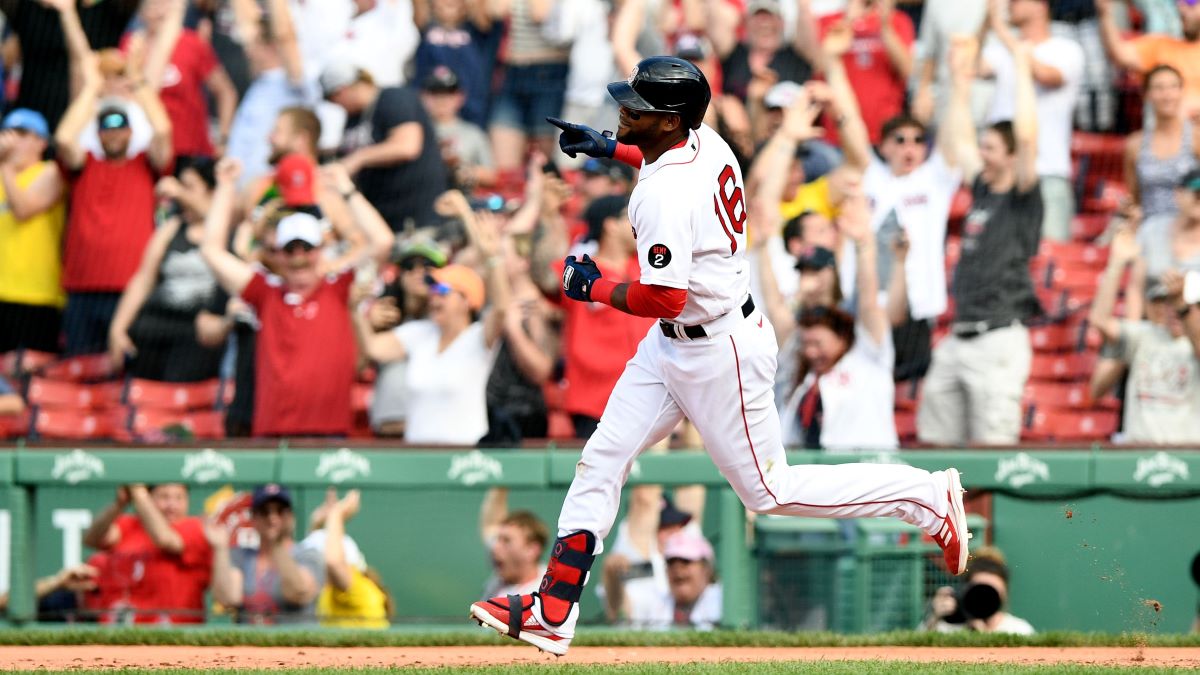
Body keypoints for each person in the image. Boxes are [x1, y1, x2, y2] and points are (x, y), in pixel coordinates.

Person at [471, 55, 970, 656]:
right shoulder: (701, 141)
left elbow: (664, 294)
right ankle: (554, 607)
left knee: (770, 492)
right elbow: (656, 165)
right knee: (601, 457)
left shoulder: (667, 193)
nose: (625, 111)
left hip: (718, 349)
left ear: (669, 120)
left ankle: (927, 497)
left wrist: (593, 288)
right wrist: (607, 147)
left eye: (638, 109)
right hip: (674, 344)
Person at [200, 159, 394, 437]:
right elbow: (211, 251)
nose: (299, 257)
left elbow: (382, 242)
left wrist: (346, 190)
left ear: (322, 249)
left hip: (329, 438)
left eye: (307, 248)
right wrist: (225, 187)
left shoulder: (338, 287)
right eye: (291, 249)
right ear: (278, 253)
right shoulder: (265, 292)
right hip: (273, 437)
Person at [918, 39, 1041, 446]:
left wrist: (1021, 66)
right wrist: (959, 82)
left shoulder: (1022, 195)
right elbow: (957, 142)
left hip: (999, 337)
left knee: (994, 446)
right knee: (935, 435)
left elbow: (1026, 137)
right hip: (960, 335)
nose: (982, 154)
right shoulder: (984, 189)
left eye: (991, 148)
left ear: (1009, 155)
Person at [355, 191, 510, 445]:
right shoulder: (419, 332)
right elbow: (373, 348)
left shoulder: (477, 337)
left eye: (443, 291)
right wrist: (355, 310)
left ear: (466, 301)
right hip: (417, 457)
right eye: (433, 291)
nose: (434, 297)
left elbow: (502, 308)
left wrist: (492, 258)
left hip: (464, 459)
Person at [54, 58, 174, 356]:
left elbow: (162, 130)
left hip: (130, 290)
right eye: (105, 126)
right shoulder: (84, 165)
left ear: (132, 132)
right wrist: (93, 89)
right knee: (76, 377)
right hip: (81, 288)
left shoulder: (145, 166)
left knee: (123, 385)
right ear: (97, 134)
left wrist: (138, 83)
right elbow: (64, 137)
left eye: (121, 125)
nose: (114, 131)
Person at [774, 194, 902, 450]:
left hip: (871, 470)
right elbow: (780, 324)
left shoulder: (863, 343)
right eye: (808, 344)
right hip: (815, 473)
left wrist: (864, 244)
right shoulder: (804, 365)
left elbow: (869, 301)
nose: (811, 351)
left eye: (818, 343)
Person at [106, 158, 224, 381]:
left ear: (212, 191)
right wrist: (118, 328)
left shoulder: (225, 228)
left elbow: (218, 218)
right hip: (157, 325)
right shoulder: (171, 228)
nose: (180, 194)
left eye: (189, 186)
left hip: (195, 334)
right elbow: (143, 279)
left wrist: (178, 191)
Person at [979, 0, 1083, 242]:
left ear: (1040, 5)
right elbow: (969, 66)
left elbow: (1046, 75)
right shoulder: (1002, 49)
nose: (1010, 4)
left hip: (1047, 171)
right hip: (1003, 173)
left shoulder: (1065, 49)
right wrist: (986, 21)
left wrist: (1001, 30)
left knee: (1048, 256)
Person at [1089, 228, 1200, 443]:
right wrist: (1117, 263)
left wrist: (1183, 308)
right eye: (1168, 302)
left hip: (1188, 461)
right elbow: (1100, 320)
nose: (1174, 310)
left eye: (1187, 305)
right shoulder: (1145, 336)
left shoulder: (1193, 343)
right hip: (1138, 455)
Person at [322, 60, 449, 231]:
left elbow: (407, 146)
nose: (337, 106)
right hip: (383, 220)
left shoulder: (393, 98)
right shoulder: (354, 118)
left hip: (416, 218)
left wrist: (359, 158)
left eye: (334, 99)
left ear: (343, 90)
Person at [81, 484, 212, 624]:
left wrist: (137, 491)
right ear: (150, 498)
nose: (172, 505)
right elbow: (92, 539)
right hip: (123, 629)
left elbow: (166, 541)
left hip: (172, 632)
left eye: (179, 498)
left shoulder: (194, 527)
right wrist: (119, 504)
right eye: (164, 497)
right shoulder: (130, 524)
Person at [0, 109, 67, 354]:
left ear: (42, 142)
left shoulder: (50, 172)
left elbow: (23, 209)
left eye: (22, 134)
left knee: (29, 379)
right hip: (2, 292)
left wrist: (5, 164)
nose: (12, 140)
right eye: (7, 132)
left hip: (37, 296)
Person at [207, 484, 324, 624]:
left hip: (294, 645)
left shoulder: (308, 554)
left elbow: (298, 592)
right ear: (254, 518)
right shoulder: (241, 555)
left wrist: (277, 543)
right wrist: (220, 548)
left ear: (291, 517)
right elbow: (228, 598)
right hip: (250, 644)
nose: (272, 518)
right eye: (264, 512)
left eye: (280, 511)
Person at [816, 0, 917, 144]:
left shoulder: (899, 20)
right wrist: (848, 21)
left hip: (885, 135)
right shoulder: (828, 20)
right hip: (838, 133)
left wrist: (885, 27)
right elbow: (819, 69)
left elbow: (907, 70)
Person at [299, 489, 391, 629]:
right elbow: (316, 548)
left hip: (367, 650)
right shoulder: (329, 591)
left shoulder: (362, 589)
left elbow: (334, 562)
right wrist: (316, 523)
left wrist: (336, 514)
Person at [1098, 0, 1200, 112]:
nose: (1182, 9)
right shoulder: (1160, 45)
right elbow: (1118, 53)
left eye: (1191, 3)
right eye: (1179, 3)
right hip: (1163, 126)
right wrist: (1105, 14)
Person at [1126, 66, 1200, 220]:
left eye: (1173, 87)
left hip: (1191, 231)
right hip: (1150, 230)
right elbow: (1135, 198)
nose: (1167, 95)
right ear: (1147, 95)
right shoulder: (1135, 145)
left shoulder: (1196, 137)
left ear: (1181, 92)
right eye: (1159, 88)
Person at [922, 546, 1035, 634]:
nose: (985, 599)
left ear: (1004, 594)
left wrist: (983, 634)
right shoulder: (948, 627)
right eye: (980, 592)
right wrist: (934, 619)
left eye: (991, 593)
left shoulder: (1019, 630)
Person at [629, 528, 722, 630]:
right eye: (671, 563)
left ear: (706, 569)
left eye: (686, 561)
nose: (677, 569)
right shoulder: (657, 602)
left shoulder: (723, 600)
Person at [421, 66, 496, 190]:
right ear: (423, 96)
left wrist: (458, 166)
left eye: (448, 94)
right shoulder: (416, 130)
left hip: (462, 199)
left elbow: (491, 175)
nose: (442, 100)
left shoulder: (473, 133)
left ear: (460, 97)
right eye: (435, 94)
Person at [478, 487, 549, 599]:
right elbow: (491, 523)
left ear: (531, 550)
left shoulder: (546, 592)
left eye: (506, 541)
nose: (495, 547)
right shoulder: (504, 569)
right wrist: (503, 479)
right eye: (498, 539)